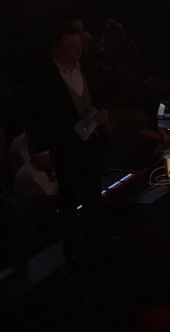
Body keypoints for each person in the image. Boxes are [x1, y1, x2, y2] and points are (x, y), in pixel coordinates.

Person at [24, 24, 115, 252]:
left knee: (93, 192)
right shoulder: (44, 78)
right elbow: (37, 115)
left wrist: (104, 111)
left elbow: (100, 94)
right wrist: (43, 151)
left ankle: (97, 239)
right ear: (57, 49)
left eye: (79, 44)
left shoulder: (87, 68)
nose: (79, 49)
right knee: (70, 198)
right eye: (72, 46)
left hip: (92, 142)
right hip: (65, 148)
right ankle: (74, 247)